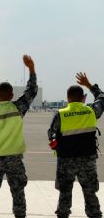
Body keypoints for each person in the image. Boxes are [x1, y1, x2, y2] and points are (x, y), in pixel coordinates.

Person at [0, 55, 38, 218]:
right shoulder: (18, 108)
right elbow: (31, 91)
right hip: (14, 159)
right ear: (12, 96)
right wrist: (31, 69)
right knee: (18, 193)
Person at [48, 73, 104, 218]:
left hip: (66, 160)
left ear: (68, 98)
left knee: (65, 195)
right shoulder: (91, 111)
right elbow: (102, 98)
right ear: (83, 98)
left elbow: (51, 135)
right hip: (87, 160)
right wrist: (89, 85)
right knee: (90, 193)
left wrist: (56, 144)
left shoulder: (60, 114)